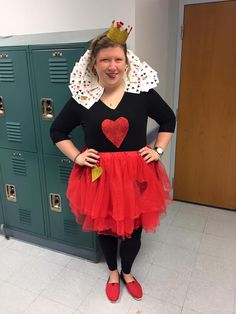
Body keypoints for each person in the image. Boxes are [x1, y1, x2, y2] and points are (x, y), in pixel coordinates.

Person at [50, 20, 176, 303]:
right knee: (106, 227)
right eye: (105, 59)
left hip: (138, 175)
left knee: (134, 229)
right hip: (99, 176)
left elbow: (168, 119)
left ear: (127, 63)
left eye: (118, 59)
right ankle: (112, 273)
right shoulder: (83, 99)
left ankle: (128, 272)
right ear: (94, 64)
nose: (112, 66)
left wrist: (159, 150)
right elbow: (57, 131)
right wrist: (78, 156)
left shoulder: (142, 94)